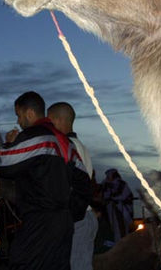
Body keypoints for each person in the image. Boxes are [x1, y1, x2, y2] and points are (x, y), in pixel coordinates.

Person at [0, 91, 91, 270]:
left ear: (29, 113)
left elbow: (3, 163)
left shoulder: (35, 136)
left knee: (22, 264)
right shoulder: (66, 142)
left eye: (19, 115)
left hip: (39, 223)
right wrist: (70, 214)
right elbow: (84, 183)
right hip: (63, 224)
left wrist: (9, 144)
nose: (18, 121)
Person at [47, 102, 98, 270]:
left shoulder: (67, 147)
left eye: (50, 121)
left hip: (78, 219)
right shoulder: (79, 145)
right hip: (84, 216)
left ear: (59, 120)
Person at [101, 168, 134, 242]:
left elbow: (123, 195)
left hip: (121, 211)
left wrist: (112, 198)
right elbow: (104, 197)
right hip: (111, 211)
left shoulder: (122, 184)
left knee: (121, 230)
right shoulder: (106, 185)